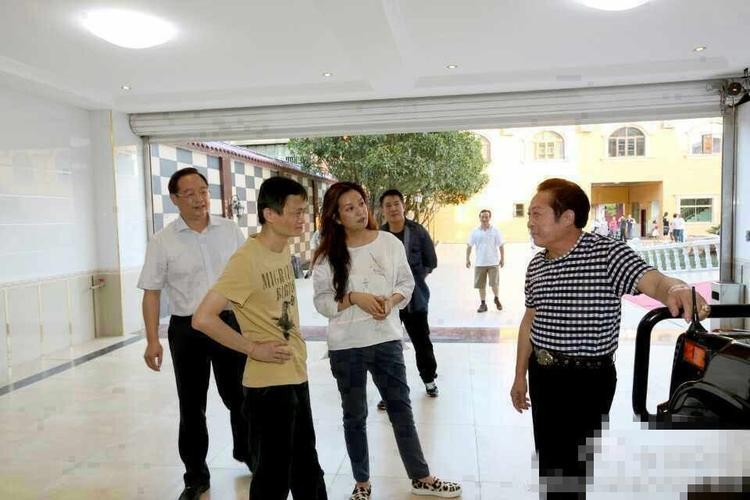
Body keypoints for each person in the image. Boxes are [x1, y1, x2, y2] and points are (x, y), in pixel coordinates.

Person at [510, 178, 710, 498]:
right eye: (530, 215)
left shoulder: (607, 254)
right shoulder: (537, 265)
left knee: (572, 468)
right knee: (549, 461)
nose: (530, 222)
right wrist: (520, 375)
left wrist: (675, 288)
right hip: (544, 374)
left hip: (587, 380)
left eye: (537, 214)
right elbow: (529, 321)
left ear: (567, 217)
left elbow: (653, 281)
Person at [312, 182, 461, 500]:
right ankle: (362, 484)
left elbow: (406, 283)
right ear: (336, 217)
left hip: (386, 340)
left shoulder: (388, 243)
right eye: (349, 207)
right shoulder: (327, 255)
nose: (359, 211)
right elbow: (322, 302)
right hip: (346, 346)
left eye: (360, 203)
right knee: (354, 417)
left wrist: (391, 301)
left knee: (401, 410)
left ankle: (421, 477)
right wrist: (354, 298)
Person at [192, 176, 327, 500]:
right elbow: (203, 318)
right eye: (296, 212)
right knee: (273, 478)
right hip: (268, 385)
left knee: (307, 468)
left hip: (294, 372)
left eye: (304, 211)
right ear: (270, 214)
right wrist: (253, 348)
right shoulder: (246, 260)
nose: (303, 218)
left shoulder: (281, 249)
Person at [137, 167, 252, 500]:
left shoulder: (230, 231)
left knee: (240, 396)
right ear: (174, 199)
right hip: (187, 330)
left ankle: (248, 452)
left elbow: (248, 278)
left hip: (228, 323)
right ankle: (196, 477)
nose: (199, 199)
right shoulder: (162, 241)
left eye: (203, 191)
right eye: (189, 194)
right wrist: (152, 340)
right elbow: (151, 293)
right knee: (191, 406)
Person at [375, 189, 439, 411]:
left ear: (403, 206)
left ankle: (429, 380)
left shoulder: (418, 231)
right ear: (383, 210)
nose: (393, 208)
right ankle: (390, 392)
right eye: (388, 205)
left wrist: (412, 281)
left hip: (415, 300)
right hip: (388, 302)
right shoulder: (379, 236)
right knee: (388, 348)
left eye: (396, 204)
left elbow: (431, 261)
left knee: (422, 342)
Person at [466, 209, 505, 313]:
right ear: (479, 218)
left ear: (489, 218)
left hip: (493, 263)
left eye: (486, 217)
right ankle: (483, 304)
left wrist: (502, 258)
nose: (484, 219)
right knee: (481, 285)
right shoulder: (475, 231)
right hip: (480, 263)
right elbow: (469, 245)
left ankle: (496, 298)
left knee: (494, 284)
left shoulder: (495, 230)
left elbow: (501, 245)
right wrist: (467, 259)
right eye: (482, 217)